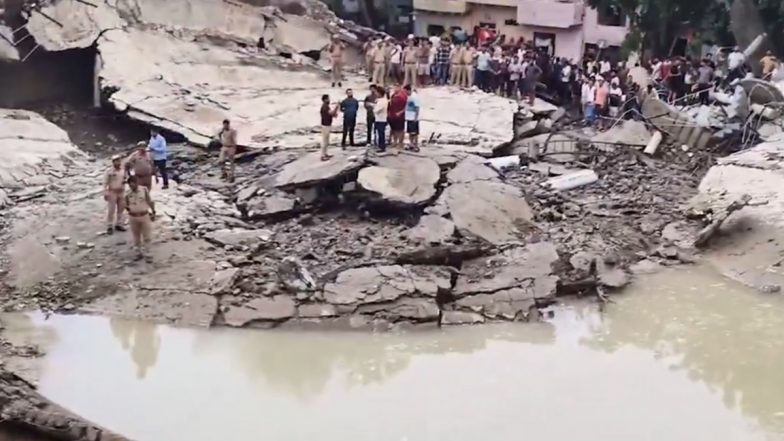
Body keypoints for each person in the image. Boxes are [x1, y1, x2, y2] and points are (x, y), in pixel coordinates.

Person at [124, 175, 156, 261]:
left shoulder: (144, 190)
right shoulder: (127, 193)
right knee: (136, 236)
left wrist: (153, 211)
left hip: (144, 215)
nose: (132, 186)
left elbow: (149, 201)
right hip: (133, 217)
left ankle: (148, 253)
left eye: (133, 184)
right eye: (130, 184)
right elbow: (126, 204)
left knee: (147, 236)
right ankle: (138, 253)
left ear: (137, 183)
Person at [104, 154, 126, 235]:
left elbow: (126, 178)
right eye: (116, 161)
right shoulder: (109, 171)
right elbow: (105, 182)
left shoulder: (123, 170)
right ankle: (109, 225)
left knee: (121, 209)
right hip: (112, 191)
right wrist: (105, 192)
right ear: (113, 162)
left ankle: (119, 224)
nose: (118, 162)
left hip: (121, 191)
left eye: (119, 160)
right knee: (111, 209)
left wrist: (125, 181)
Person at [388, 84, 408, 152]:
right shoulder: (393, 95)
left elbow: (406, 106)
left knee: (400, 130)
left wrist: (401, 112)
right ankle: (395, 141)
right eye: (394, 87)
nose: (395, 88)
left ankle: (400, 143)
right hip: (392, 115)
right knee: (394, 129)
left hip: (400, 116)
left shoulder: (403, 95)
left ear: (400, 87)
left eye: (396, 87)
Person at [320, 94, 338, 161]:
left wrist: (334, 114)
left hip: (327, 124)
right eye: (328, 99)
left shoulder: (326, 106)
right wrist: (337, 107)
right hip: (325, 125)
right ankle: (322, 155)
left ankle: (325, 153)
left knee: (326, 141)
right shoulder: (325, 107)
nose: (329, 100)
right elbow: (332, 113)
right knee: (325, 141)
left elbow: (331, 114)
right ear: (325, 99)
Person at [404, 84, 421, 151]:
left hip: (413, 117)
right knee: (410, 132)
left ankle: (415, 145)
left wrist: (416, 117)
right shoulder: (408, 96)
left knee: (414, 132)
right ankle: (411, 143)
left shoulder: (414, 97)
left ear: (408, 90)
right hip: (408, 117)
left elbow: (417, 107)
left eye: (405, 91)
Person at [373, 86, 389, 152]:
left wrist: (373, 107)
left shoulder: (382, 101)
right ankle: (380, 145)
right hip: (379, 119)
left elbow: (376, 110)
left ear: (379, 93)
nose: (375, 93)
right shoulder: (381, 100)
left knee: (381, 133)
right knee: (379, 133)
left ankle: (382, 147)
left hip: (381, 119)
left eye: (376, 92)